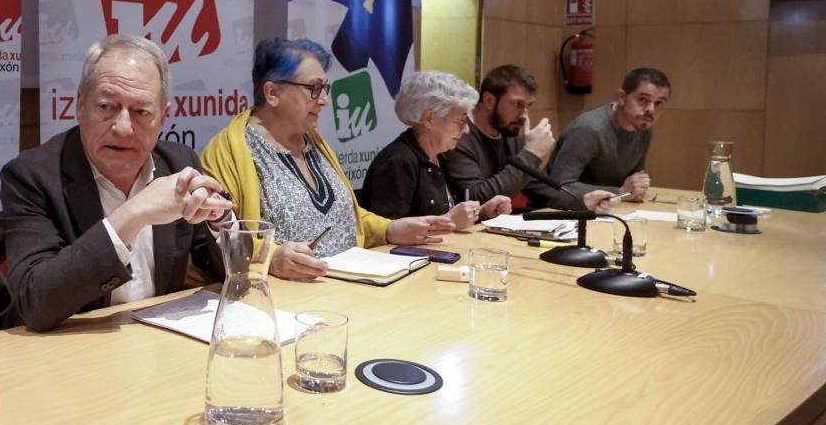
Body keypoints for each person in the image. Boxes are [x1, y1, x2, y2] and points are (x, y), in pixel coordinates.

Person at [0, 35, 231, 332]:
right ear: (80, 105)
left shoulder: (178, 164)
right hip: (72, 352)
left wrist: (219, 220)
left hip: (159, 344)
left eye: (141, 112)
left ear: (163, 118)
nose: (123, 128)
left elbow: (230, 271)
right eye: (107, 106)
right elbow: (34, 302)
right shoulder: (31, 176)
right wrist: (135, 213)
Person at [200, 38, 454, 281]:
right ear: (272, 92)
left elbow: (346, 218)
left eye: (325, 89)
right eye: (314, 88)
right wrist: (271, 257)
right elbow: (220, 241)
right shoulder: (228, 152)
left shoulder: (315, 142)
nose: (323, 100)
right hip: (287, 303)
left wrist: (391, 229)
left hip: (351, 286)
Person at [442, 65, 614, 211]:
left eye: (528, 106)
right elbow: (476, 199)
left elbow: (536, 186)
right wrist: (531, 153)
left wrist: (581, 201)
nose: (524, 115)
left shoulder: (508, 131)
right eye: (517, 104)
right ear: (489, 100)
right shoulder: (458, 134)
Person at [361, 71, 512, 223]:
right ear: (429, 118)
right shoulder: (397, 162)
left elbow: (452, 213)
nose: (466, 129)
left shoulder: (442, 155)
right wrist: (450, 221)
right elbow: (386, 234)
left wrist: (481, 212)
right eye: (461, 121)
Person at [548, 67, 672, 201]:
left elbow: (633, 181)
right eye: (643, 100)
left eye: (659, 103)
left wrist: (635, 189)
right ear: (622, 97)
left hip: (607, 208)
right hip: (558, 211)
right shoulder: (589, 129)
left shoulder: (643, 128)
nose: (651, 110)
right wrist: (620, 192)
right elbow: (560, 187)